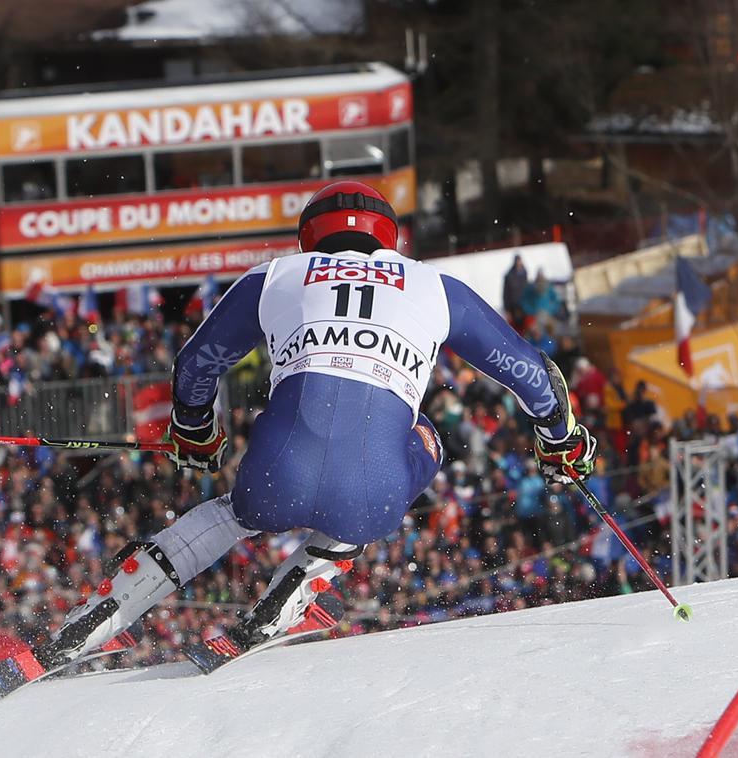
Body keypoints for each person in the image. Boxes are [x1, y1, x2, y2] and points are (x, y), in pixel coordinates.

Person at [31, 181, 597, 669]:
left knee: (235, 511)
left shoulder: (275, 275)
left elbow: (195, 364)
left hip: (275, 475)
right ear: (389, 236)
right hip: (371, 496)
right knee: (425, 434)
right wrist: (561, 439)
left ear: (308, 236)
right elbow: (531, 373)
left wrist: (195, 430)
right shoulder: (434, 285)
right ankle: (292, 593)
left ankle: (96, 618)